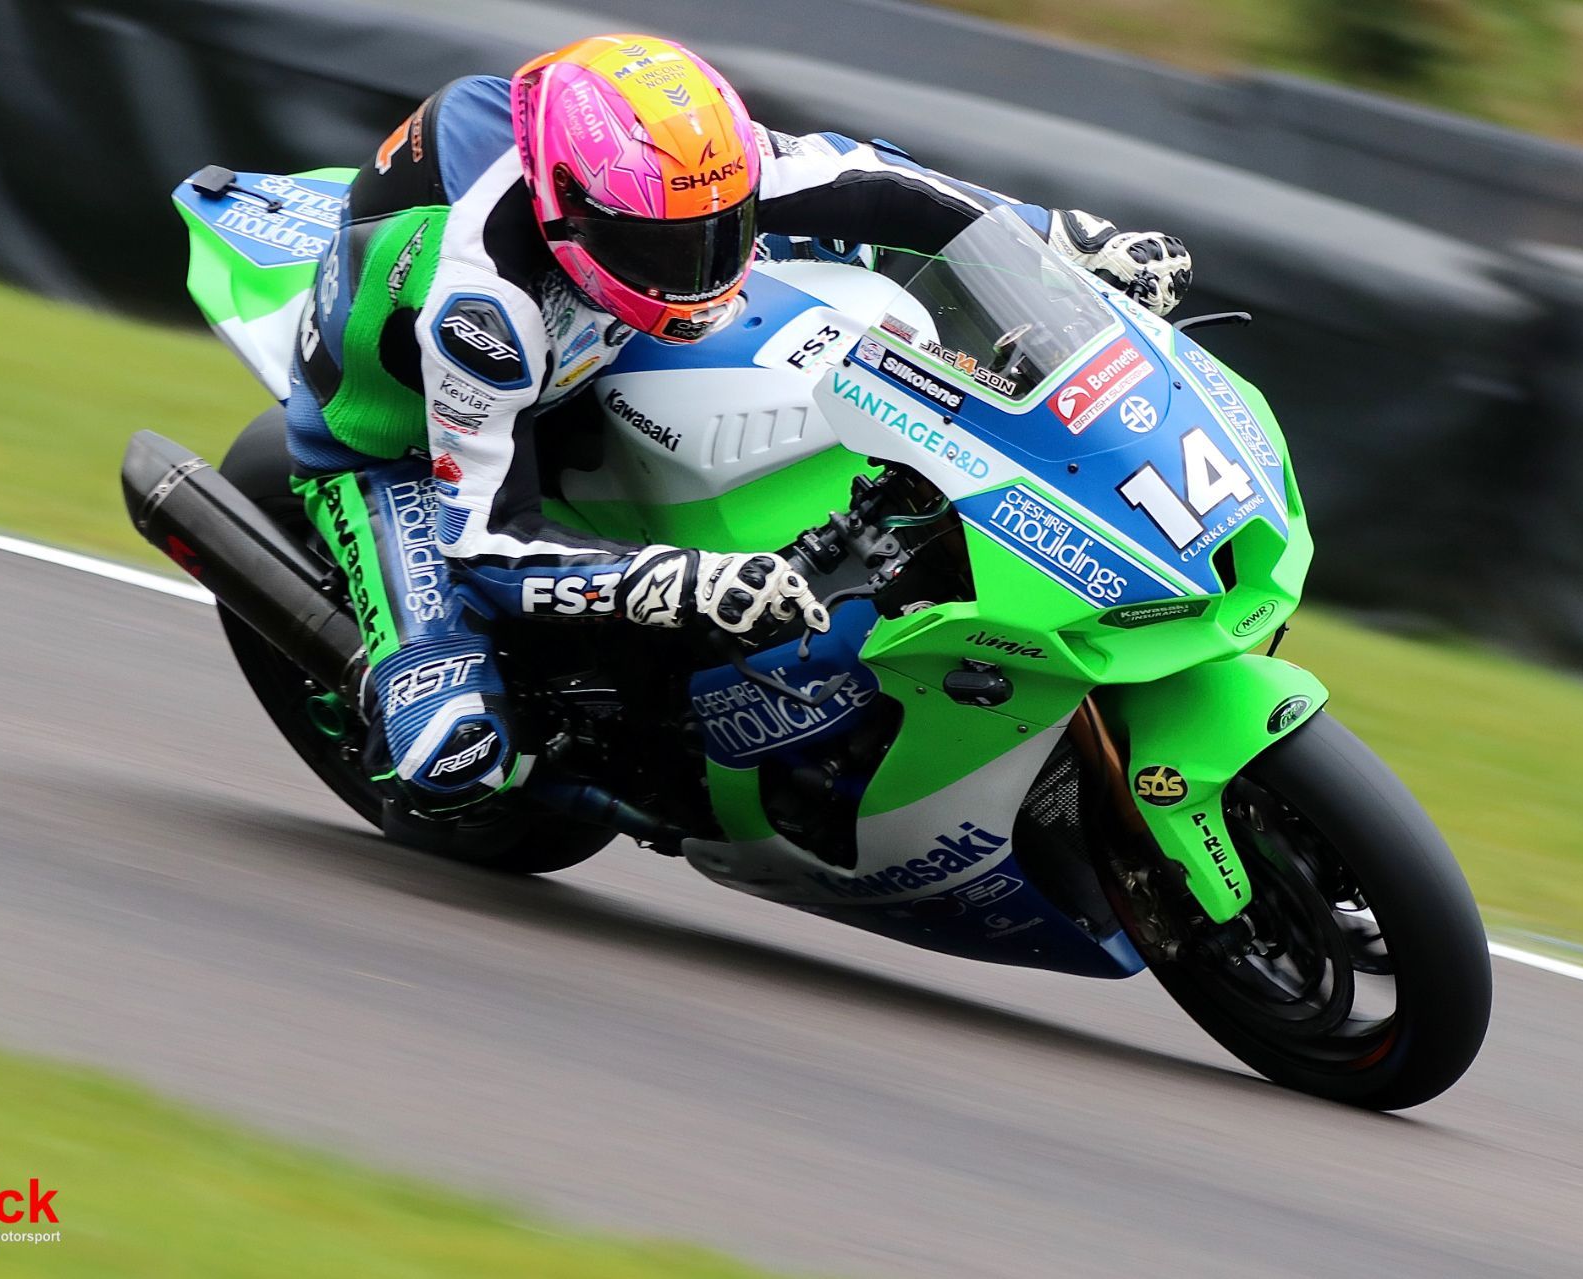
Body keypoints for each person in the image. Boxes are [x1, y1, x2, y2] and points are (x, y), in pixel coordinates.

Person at [286, 33, 1194, 813]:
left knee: (863, 283)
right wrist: (687, 580)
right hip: (399, 442)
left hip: (595, 333)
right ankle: (398, 670)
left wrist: (1065, 240)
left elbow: (876, 184)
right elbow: (485, 539)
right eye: (665, 246)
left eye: (720, 230)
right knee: (454, 751)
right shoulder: (479, 308)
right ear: (571, 207)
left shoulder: (674, 170)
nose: (701, 265)